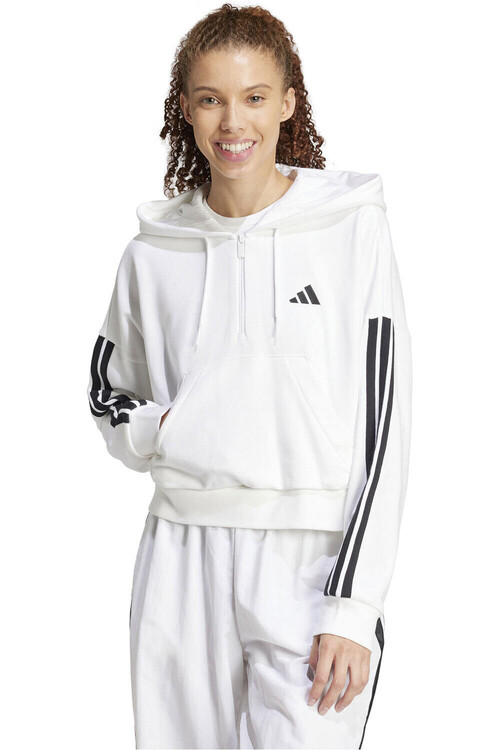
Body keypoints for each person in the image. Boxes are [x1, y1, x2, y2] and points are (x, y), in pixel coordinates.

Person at [87, 4, 412, 749]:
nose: (234, 122)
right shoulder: (152, 251)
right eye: (211, 99)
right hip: (180, 553)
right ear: (186, 110)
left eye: (255, 96)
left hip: (310, 562)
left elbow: (386, 424)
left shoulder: (351, 229)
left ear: (288, 102)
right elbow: (108, 386)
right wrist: (160, 429)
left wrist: (353, 605)